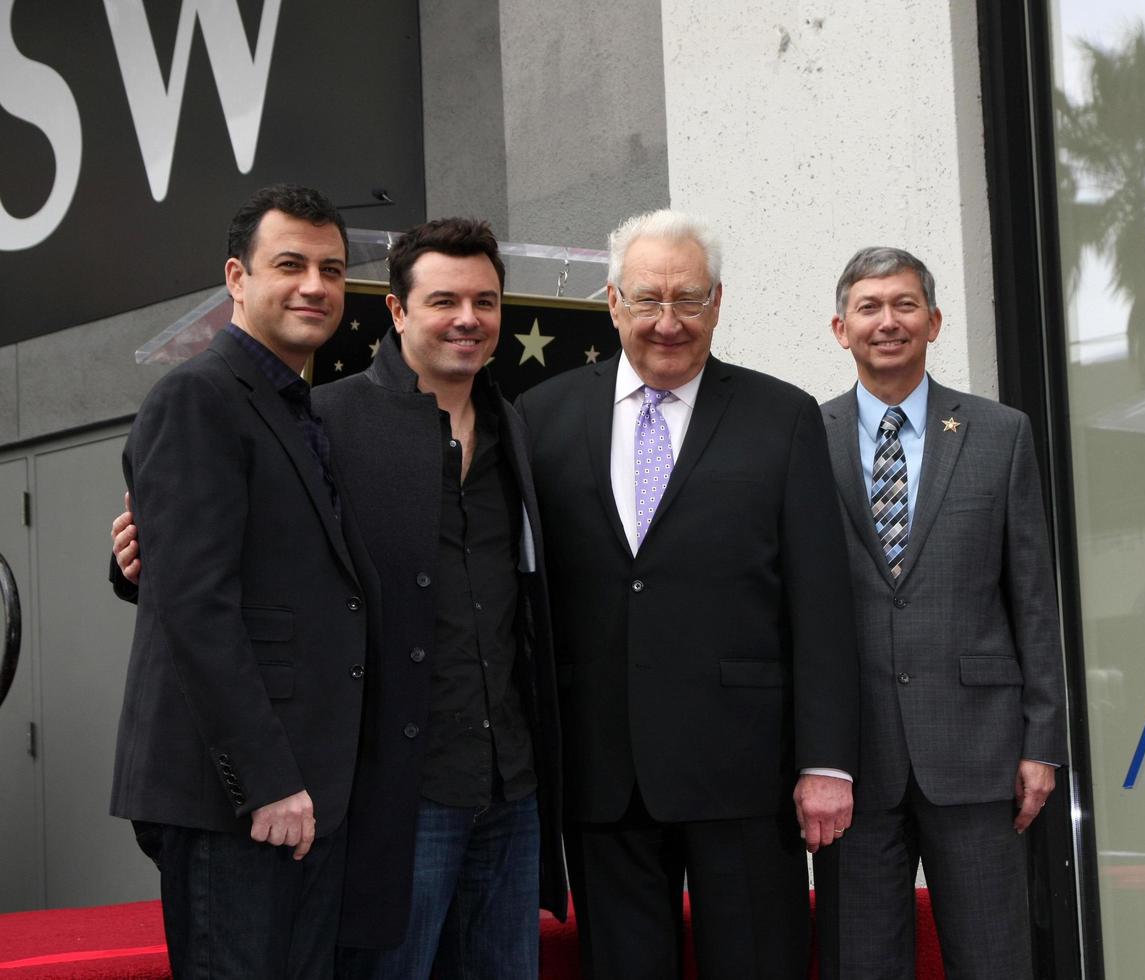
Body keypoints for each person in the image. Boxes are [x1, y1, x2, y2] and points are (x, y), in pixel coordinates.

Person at [113, 218, 567, 979]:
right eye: (443, 299)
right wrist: (134, 564)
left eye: (485, 301)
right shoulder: (325, 420)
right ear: (396, 311)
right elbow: (234, 569)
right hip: (394, 795)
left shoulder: (513, 427)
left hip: (509, 787)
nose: (467, 318)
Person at [514, 209, 860, 980]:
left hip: (745, 772)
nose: (668, 322)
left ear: (718, 302)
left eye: (688, 300)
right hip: (602, 775)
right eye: (648, 300)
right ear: (612, 303)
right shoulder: (541, 417)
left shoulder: (783, 417)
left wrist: (827, 761)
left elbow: (822, 601)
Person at [109, 183, 373, 978]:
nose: (315, 286)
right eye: (289, 264)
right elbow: (197, 608)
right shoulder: (198, 396)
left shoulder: (303, 409)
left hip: (305, 794)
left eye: (331, 269)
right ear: (236, 278)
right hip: (245, 804)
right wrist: (266, 783)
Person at [813, 247, 1066, 980]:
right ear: (841, 327)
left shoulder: (1001, 432)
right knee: (861, 963)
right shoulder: (802, 436)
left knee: (994, 962)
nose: (886, 322)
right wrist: (805, 755)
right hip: (852, 762)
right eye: (869, 307)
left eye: (903, 305)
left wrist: (1041, 742)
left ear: (934, 321)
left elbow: (1033, 597)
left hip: (980, 753)